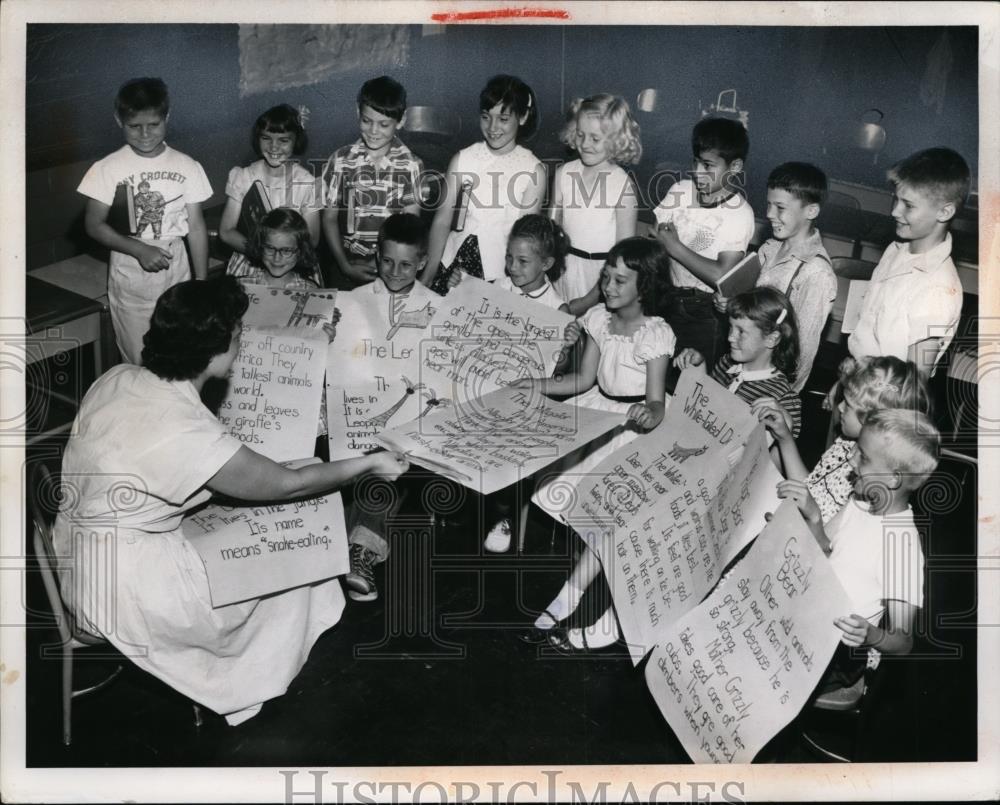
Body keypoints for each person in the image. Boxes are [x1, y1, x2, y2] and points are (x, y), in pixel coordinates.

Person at [52, 276, 407, 725]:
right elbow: (289, 485)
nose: (243, 339)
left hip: (73, 557)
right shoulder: (189, 433)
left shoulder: (118, 377)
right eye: (238, 332)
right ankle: (256, 671)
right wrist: (370, 463)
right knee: (293, 547)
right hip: (126, 590)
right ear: (213, 348)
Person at [520, 237, 675, 650]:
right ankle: (573, 593)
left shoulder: (656, 334)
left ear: (645, 287)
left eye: (620, 280)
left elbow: (657, 402)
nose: (607, 286)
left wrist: (649, 415)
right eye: (606, 277)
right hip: (597, 411)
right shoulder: (597, 320)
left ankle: (585, 601)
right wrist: (534, 384)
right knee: (576, 501)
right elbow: (583, 381)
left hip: (634, 428)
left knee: (609, 519)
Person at [777, 409, 938, 690]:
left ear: (893, 478)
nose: (851, 459)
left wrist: (871, 635)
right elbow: (823, 551)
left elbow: (903, 642)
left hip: (838, 651)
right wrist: (814, 518)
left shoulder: (901, 545)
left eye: (862, 456)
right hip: (808, 615)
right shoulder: (859, 502)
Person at [339, 213, 440, 601]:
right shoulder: (350, 302)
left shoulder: (437, 308)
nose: (395, 272)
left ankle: (361, 549)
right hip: (356, 411)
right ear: (376, 256)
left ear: (422, 262)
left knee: (387, 460)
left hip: (412, 420)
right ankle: (349, 544)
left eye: (406, 265)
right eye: (387, 261)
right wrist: (326, 335)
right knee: (362, 450)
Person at [78, 77, 212, 364]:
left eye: (153, 124)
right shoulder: (107, 168)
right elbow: (93, 224)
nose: (145, 134)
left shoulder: (187, 166)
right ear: (118, 120)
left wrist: (200, 283)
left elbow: (196, 227)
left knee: (180, 355)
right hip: (131, 269)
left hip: (177, 269)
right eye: (134, 126)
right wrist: (139, 249)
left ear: (167, 117)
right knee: (141, 360)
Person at [480, 214, 572, 553]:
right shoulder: (495, 286)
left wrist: (563, 351)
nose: (512, 267)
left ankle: (502, 514)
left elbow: (554, 368)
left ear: (546, 263)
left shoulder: (556, 307)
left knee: (511, 442)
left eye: (522, 261)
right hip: (486, 385)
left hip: (524, 399)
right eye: (508, 258)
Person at [757, 355, 931, 523]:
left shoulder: (868, 474)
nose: (839, 407)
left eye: (848, 404)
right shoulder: (845, 442)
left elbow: (830, 537)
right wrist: (785, 437)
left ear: (873, 421)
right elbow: (811, 489)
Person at [848, 147, 969, 376]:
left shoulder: (938, 287)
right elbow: (866, 333)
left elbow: (916, 379)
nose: (895, 211)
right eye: (896, 200)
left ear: (944, 212)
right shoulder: (896, 251)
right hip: (858, 378)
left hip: (886, 399)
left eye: (908, 205)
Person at [716, 162, 836, 393]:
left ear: (811, 211)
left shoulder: (816, 273)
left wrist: (781, 399)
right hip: (741, 372)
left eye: (780, 207)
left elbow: (803, 353)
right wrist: (728, 304)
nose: (769, 214)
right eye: (769, 205)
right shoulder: (769, 249)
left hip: (768, 390)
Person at [423, 75, 546, 292]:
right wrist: (428, 275)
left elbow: (525, 239)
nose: (493, 127)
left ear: (523, 116)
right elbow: (442, 221)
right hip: (452, 264)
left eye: (504, 119)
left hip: (499, 274)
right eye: (486, 117)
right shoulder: (463, 158)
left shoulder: (533, 170)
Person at [653, 117, 755, 372]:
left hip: (703, 313)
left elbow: (722, 274)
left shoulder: (739, 213)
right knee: (654, 372)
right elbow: (654, 233)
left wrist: (674, 246)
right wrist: (666, 242)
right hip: (664, 295)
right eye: (696, 162)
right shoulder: (680, 189)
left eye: (708, 165)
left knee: (689, 385)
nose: (698, 172)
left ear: (735, 166)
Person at [322, 76, 424, 289]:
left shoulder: (411, 166)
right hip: (347, 265)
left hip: (390, 271)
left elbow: (409, 229)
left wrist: (384, 265)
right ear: (357, 113)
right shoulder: (340, 160)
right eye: (367, 121)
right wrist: (344, 265)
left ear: (401, 120)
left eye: (384, 124)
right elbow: (329, 218)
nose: (374, 131)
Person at [550, 94, 642, 309]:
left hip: (601, 280)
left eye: (595, 138)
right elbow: (551, 234)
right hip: (561, 271)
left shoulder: (622, 185)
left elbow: (623, 257)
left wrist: (588, 300)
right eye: (580, 135)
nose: (585, 144)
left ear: (615, 139)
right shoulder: (564, 173)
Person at [676, 286, 802, 438]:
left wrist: (785, 429)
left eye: (741, 332)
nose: (730, 337)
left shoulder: (783, 398)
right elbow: (706, 406)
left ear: (771, 339)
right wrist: (699, 366)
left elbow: (779, 457)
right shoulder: (725, 364)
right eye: (731, 327)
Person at [219, 104, 321, 278]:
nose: (274, 147)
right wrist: (262, 253)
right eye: (266, 138)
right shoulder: (244, 176)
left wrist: (282, 256)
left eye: (283, 140)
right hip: (251, 262)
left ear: (296, 141)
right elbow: (226, 231)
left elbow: (312, 239)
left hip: (292, 264)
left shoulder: (307, 183)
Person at [236, 208, 324, 290]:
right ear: (260, 246)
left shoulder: (310, 290)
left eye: (286, 251)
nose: (276, 258)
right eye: (270, 248)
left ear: (300, 251)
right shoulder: (241, 286)